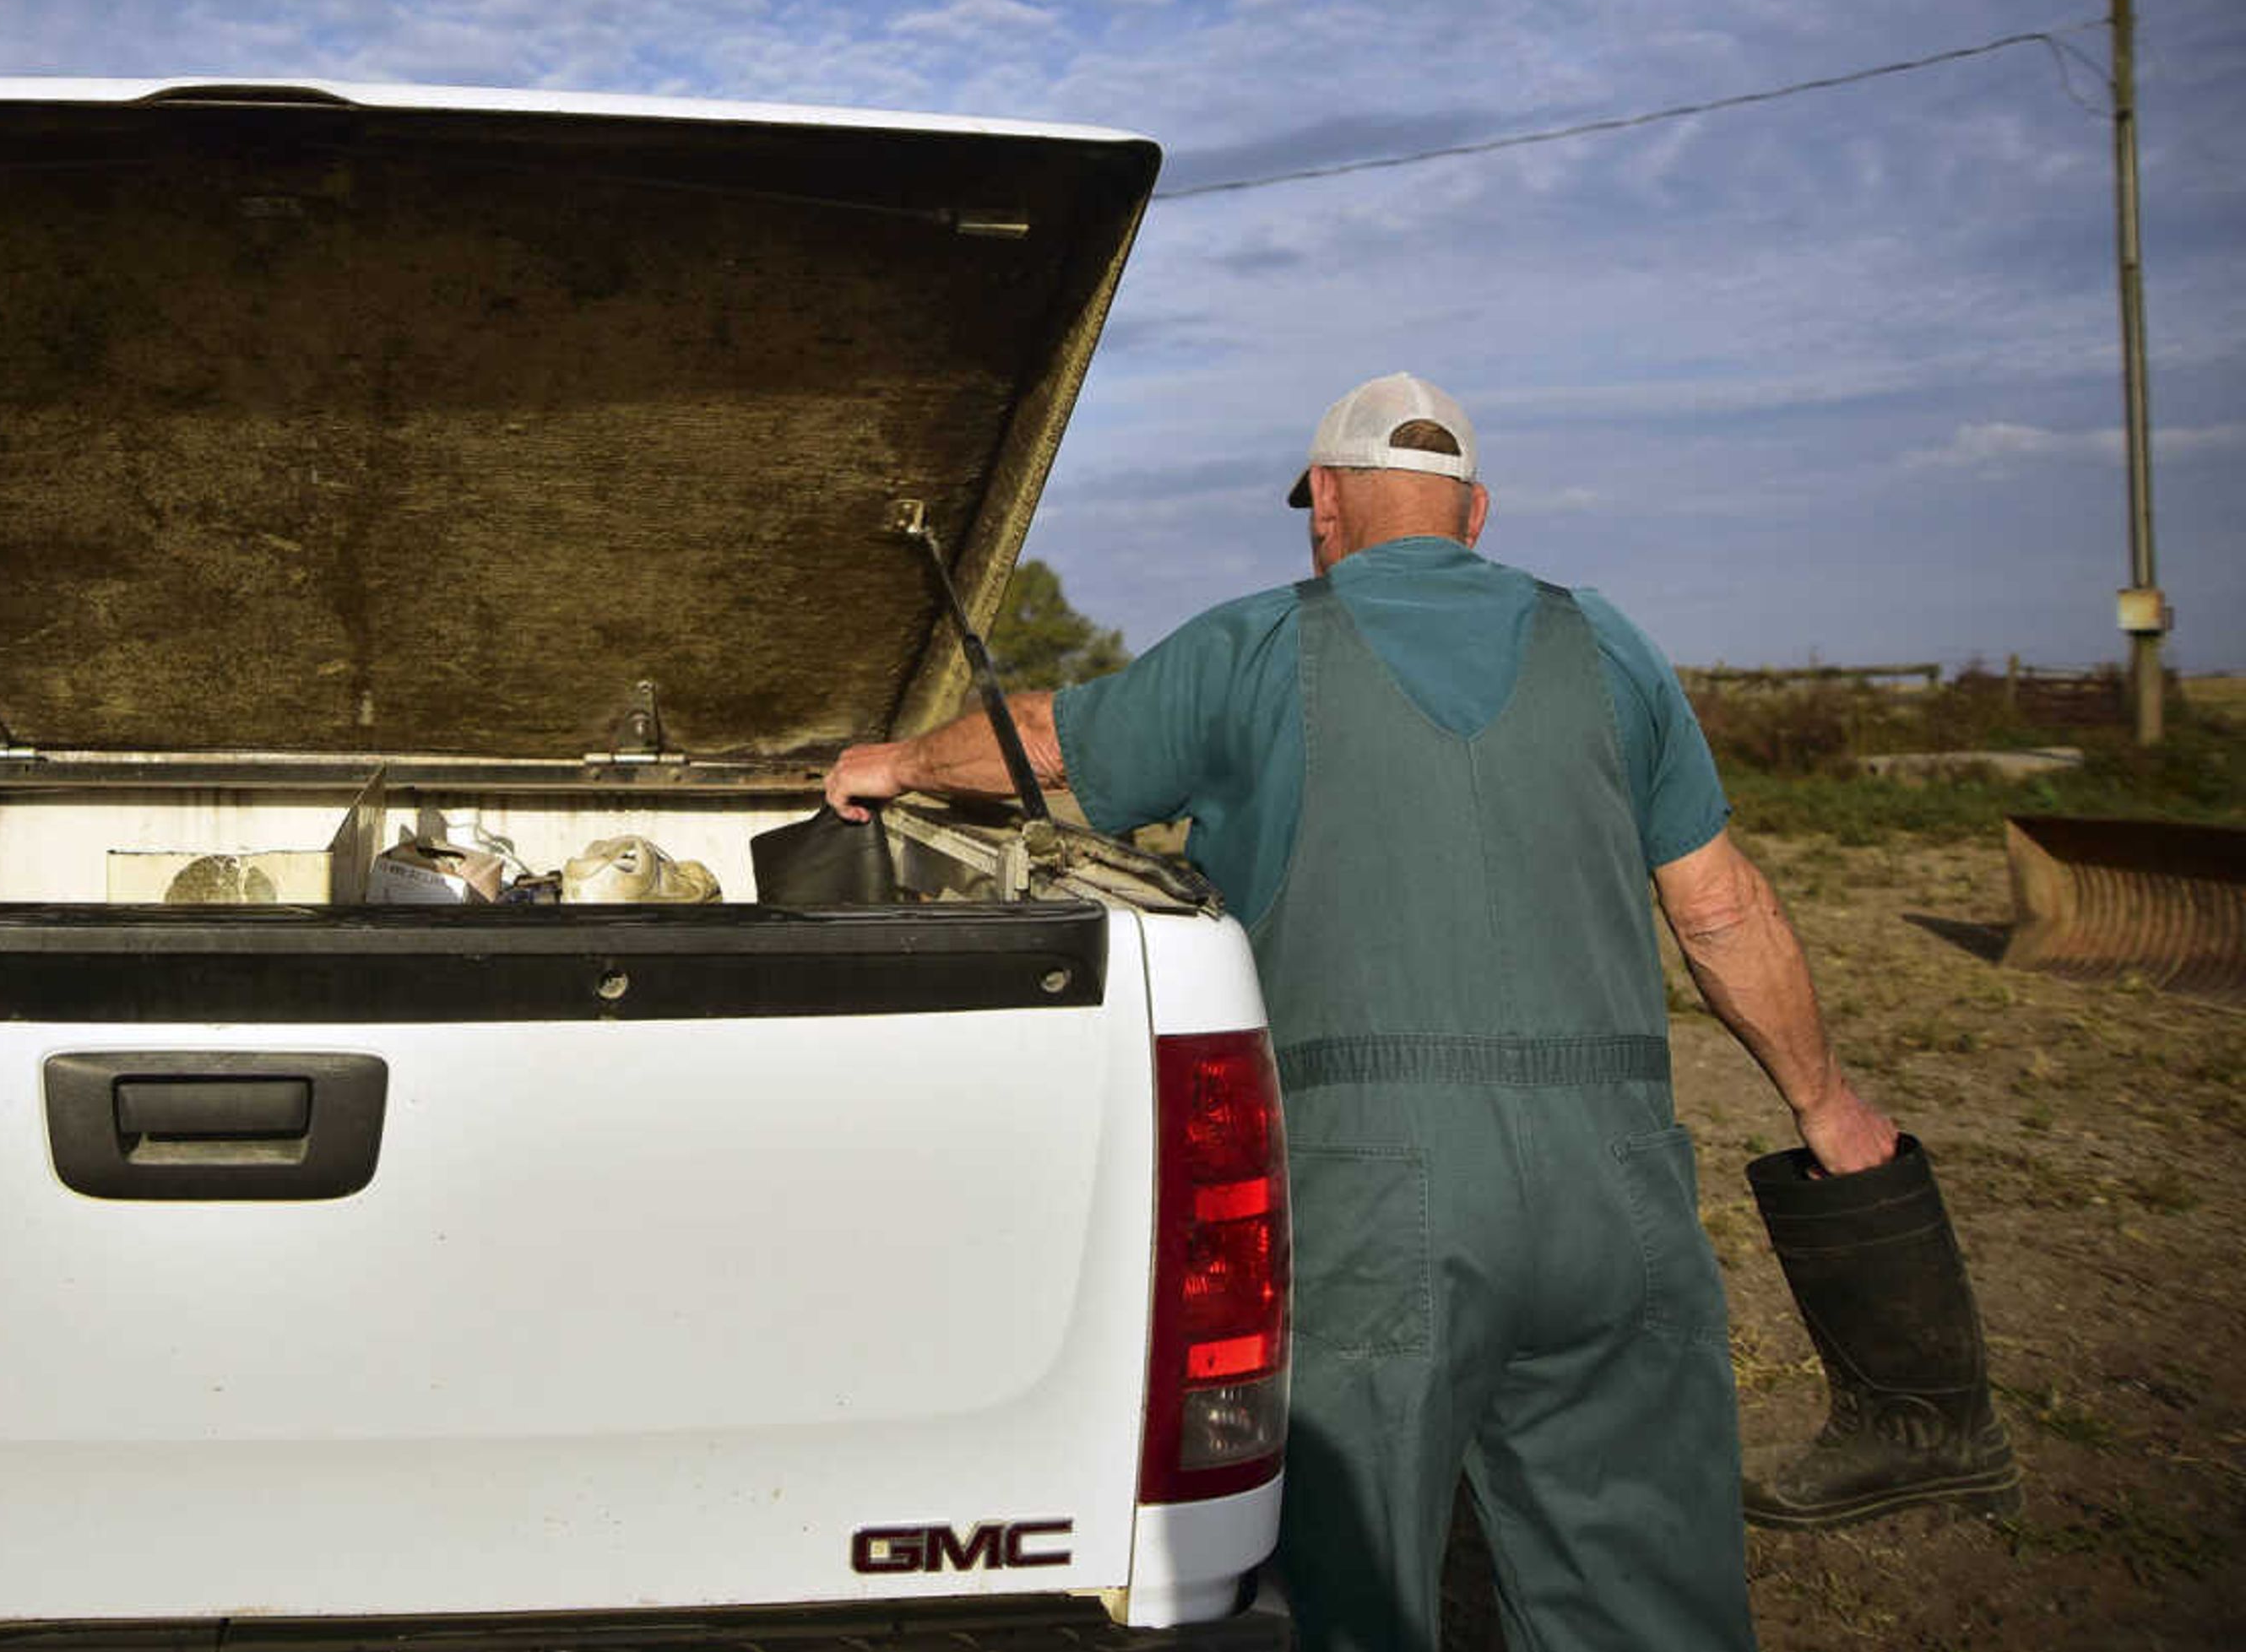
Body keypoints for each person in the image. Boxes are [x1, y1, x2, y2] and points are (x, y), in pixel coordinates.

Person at [822, 371, 1927, 1650]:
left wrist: (894, 764)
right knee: (1641, 1592)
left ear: (1326, 506)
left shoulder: (1255, 645)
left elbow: (1046, 742)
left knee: (1358, 1596)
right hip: (1616, 1182)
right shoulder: (1610, 644)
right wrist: (1828, 1107)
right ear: (1478, 511)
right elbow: (1723, 910)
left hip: (1368, 1200)